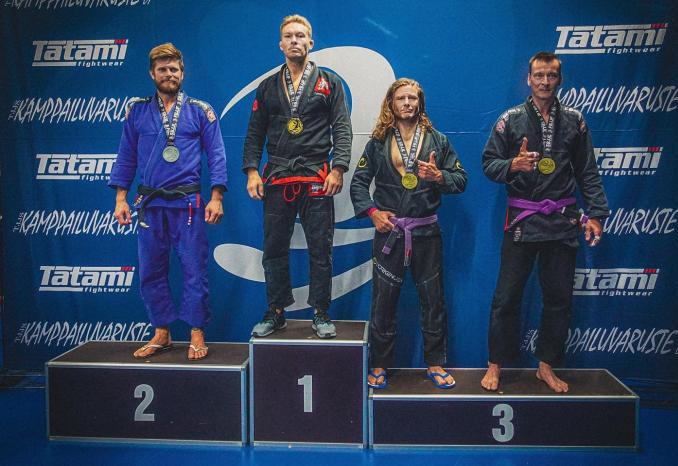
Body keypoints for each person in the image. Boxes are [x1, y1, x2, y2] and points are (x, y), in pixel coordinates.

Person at [481, 51, 609, 392]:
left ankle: (546, 366)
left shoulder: (575, 120)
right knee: (507, 297)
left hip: (562, 222)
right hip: (523, 220)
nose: (545, 82)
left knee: (558, 298)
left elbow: (587, 171)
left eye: (551, 76)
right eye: (539, 75)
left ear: (560, 80)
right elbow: (488, 164)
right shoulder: (510, 120)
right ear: (528, 79)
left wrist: (596, 213)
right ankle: (495, 364)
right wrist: (514, 165)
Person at [109, 43, 227, 360]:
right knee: (150, 270)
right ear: (152, 73)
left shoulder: (200, 111)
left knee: (194, 269)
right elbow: (126, 156)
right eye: (162, 69)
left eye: (174, 69)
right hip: (150, 205)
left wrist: (216, 196)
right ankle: (161, 331)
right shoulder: (137, 112)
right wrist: (121, 198)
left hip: (187, 203)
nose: (169, 74)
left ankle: (197, 332)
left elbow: (217, 155)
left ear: (182, 73)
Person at [350, 78, 466, 389]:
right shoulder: (378, 142)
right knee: (383, 301)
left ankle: (435, 363)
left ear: (420, 103)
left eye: (412, 98)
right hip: (390, 233)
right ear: (391, 103)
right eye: (401, 98)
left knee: (433, 299)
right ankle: (380, 363)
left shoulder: (438, 141)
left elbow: (461, 179)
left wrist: (439, 176)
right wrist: (373, 213)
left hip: (426, 232)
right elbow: (358, 183)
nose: (407, 103)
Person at [243, 14, 352, 339]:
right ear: (281, 44)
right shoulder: (267, 87)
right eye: (289, 36)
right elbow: (254, 133)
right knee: (274, 247)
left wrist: (338, 167)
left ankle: (321, 312)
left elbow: (342, 127)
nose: (295, 40)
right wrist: (252, 171)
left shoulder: (329, 83)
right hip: (278, 176)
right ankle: (276, 311)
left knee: (321, 248)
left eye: (300, 35)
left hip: (317, 175)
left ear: (310, 42)